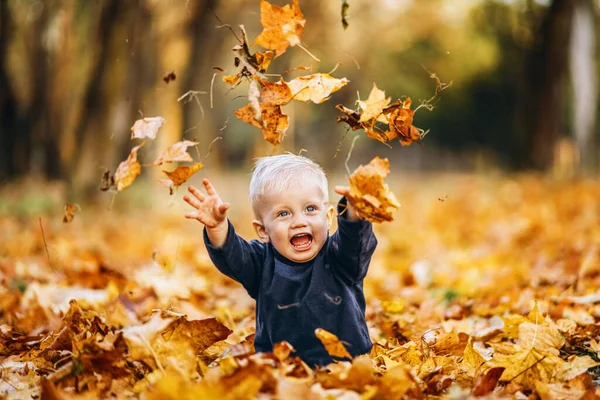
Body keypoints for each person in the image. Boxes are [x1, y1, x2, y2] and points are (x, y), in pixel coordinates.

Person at [183, 154, 378, 367]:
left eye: (310, 209)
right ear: (263, 231)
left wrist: (354, 215)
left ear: (328, 217)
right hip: (281, 371)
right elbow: (233, 257)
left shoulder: (340, 257)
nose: (299, 221)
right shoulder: (261, 262)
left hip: (348, 368)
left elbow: (356, 243)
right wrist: (218, 228)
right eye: (284, 213)